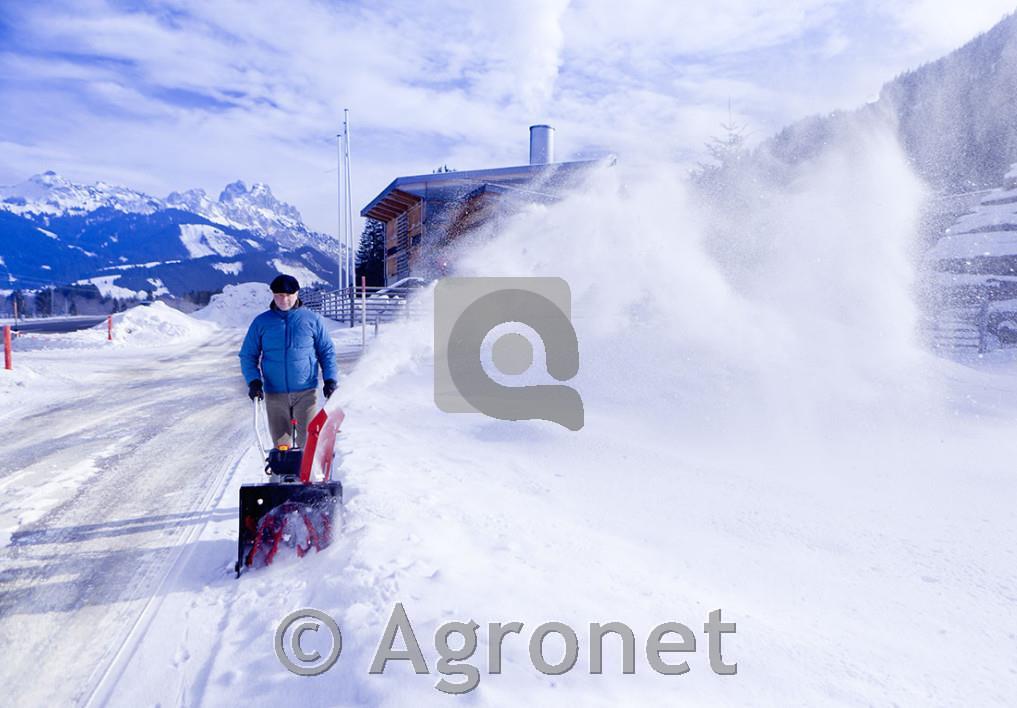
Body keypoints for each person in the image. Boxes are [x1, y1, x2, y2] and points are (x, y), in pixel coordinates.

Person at [239, 274, 338, 447]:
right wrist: (254, 382)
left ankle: (306, 474)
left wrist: (330, 380)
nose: (283, 300)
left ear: (297, 294)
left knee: (307, 445)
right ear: (273, 295)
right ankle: (282, 474)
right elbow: (248, 355)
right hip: (275, 394)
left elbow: (326, 351)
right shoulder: (262, 322)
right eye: (279, 295)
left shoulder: (311, 320)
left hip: (306, 393)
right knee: (281, 448)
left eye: (288, 295)